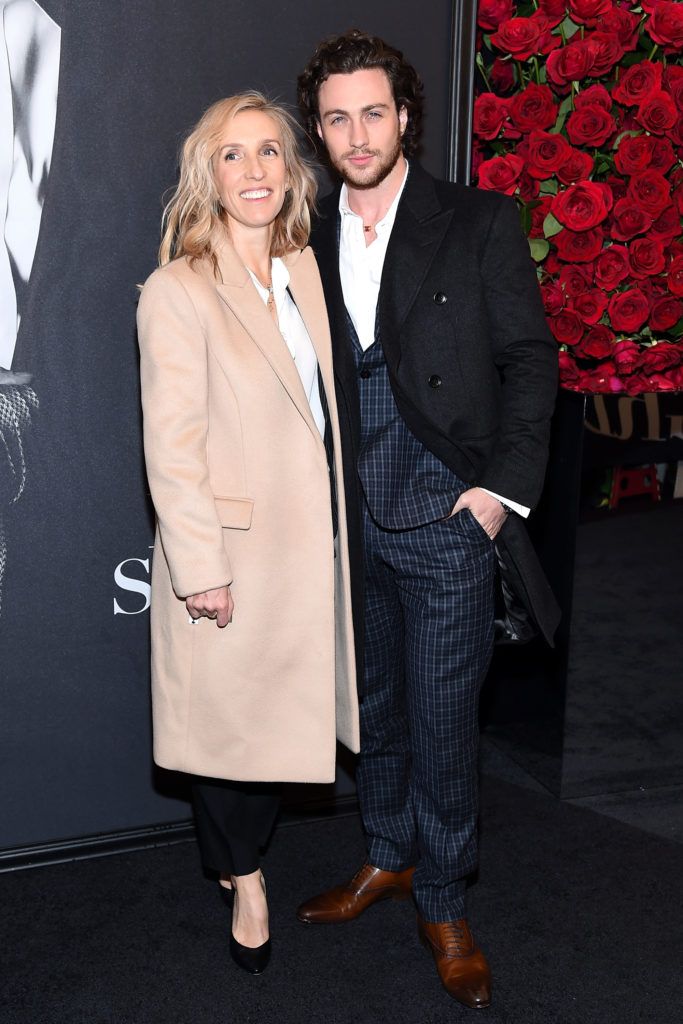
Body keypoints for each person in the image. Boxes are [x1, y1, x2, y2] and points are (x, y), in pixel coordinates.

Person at [296, 31, 558, 1009]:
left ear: (405, 115)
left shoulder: (477, 220)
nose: (356, 133)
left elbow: (530, 363)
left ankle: (443, 895)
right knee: (374, 708)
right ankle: (385, 854)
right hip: (345, 513)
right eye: (335, 117)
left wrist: (495, 497)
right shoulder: (304, 231)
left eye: (372, 111)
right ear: (318, 131)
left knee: (445, 722)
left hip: (445, 507)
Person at [136, 93, 359, 976]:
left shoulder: (308, 267)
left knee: (275, 727)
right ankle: (247, 874)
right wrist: (199, 568)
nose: (255, 170)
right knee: (229, 739)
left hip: (313, 549)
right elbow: (172, 445)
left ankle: (243, 861)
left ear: (291, 169)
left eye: (270, 152)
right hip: (233, 552)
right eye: (234, 155)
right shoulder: (177, 289)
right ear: (208, 174)